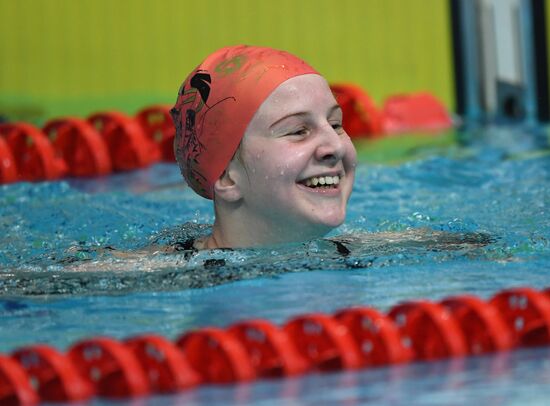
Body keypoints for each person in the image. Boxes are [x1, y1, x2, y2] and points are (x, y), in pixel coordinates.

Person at [170, 45, 357, 249]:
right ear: (227, 176)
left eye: (336, 124)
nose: (336, 146)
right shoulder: (158, 275)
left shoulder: (365, 254)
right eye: (298, 131)